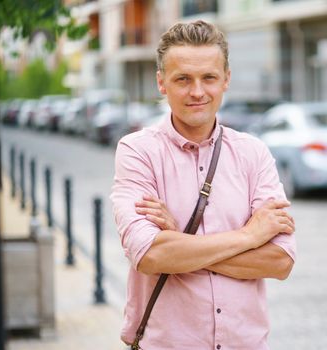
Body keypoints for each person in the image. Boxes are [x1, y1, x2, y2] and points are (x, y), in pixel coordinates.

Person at [110, 20, 296, 349]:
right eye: (183, 79)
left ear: (226, 80)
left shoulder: (253, 154)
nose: (197, 91)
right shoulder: (137, 152)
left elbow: (279, 261)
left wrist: (180, 242)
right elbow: (151, 254)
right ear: (161, 83)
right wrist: (249, 236)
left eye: (208, 77)